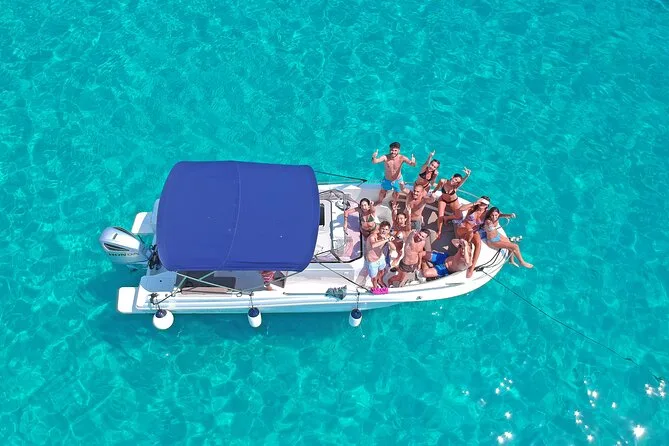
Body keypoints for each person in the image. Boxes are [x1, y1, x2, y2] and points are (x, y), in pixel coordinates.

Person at [455, 196, 490, 278]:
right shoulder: (472, 208)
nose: (482, 204)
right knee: (470, 232)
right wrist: (475, 203)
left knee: (478, 244)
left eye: (484, 204)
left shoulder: (486, 213)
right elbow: (461, 209)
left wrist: (507, 215)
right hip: (463, 228)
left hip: (473, 231)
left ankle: (472, 267)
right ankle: (465, 250)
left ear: (487, 205)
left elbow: (497, 214)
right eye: (481, 202)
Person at [372, 142, 416, 206]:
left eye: (395, 150)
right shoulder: (385, 157)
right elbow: (375, 161)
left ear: (399, 151)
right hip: (387, 179)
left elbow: (412, 165)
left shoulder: (402, 158)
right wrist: (374, 157)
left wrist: (413, 162)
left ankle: (394, 203)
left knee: (396, 194)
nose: (393, 152)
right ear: (389, 150)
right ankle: (380, 201)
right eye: (392, 150)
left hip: (397, 179)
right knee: (382, 191)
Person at [433, 167, 472, 239]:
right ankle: (439, 231)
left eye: (457, 182)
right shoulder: (442, 181)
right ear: (452, 177)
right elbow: (437, 187)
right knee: (440, 216)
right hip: (443, 199)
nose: (455, 182)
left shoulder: (455, 187)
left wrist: (467, 176)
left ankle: (446, 218)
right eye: (455, 179)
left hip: (453, 201)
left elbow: (462, 182)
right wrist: (433, 192)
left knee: (459, 216)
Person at [364, 221, 394, 289]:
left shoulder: (387, 236)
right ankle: (375, 287)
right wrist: (386, 240)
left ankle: (380, 280)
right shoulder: (373, 236)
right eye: (382, 229)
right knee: (374, 278)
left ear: (388, 231)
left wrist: (389, 241)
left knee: (382, 271)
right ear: (379, 229)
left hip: (380, 258)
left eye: (386, 229)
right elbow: (374, 245)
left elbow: (394, 248)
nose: (384, 231)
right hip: (372, 261)